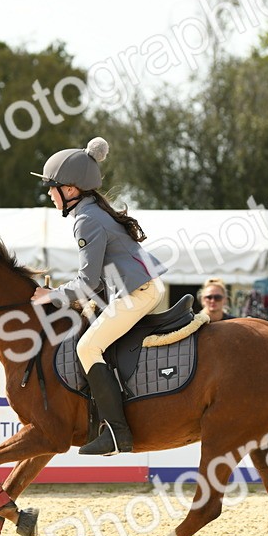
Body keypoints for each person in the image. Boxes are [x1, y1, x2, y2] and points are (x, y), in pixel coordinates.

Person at [30, 137, 167, 455]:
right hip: (136, 287)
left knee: (87, 347)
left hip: (137, 292)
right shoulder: (93, 212)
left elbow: (87, 282)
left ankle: (118, 433)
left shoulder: (86, 220)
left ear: (71, 189)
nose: (49, 194)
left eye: (53, 187)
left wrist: (51, 296)